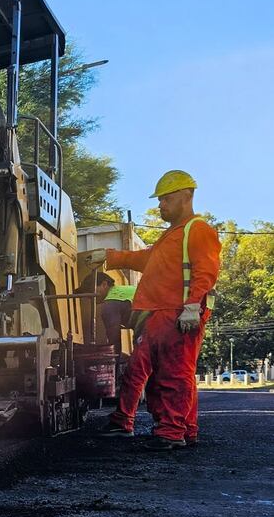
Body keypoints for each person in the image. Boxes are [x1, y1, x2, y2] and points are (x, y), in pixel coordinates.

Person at [86, 170, 220, 450]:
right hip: (159, 315)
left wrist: (193, 306)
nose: (161, 206)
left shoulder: (198, 231)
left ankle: (172, 433)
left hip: (178, 314)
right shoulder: (173, 235)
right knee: (144, 370)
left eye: (166, 200)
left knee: (174, 376)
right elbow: (148, 259)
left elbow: (206, 271)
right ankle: (169, 428)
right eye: (160, 201)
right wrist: (112, 257)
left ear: (187, 196)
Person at [101, 283, 136, 355]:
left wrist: (115, 363)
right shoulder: (128, 289)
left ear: (104, 285)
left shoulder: (110, 301)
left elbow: (114, 338)